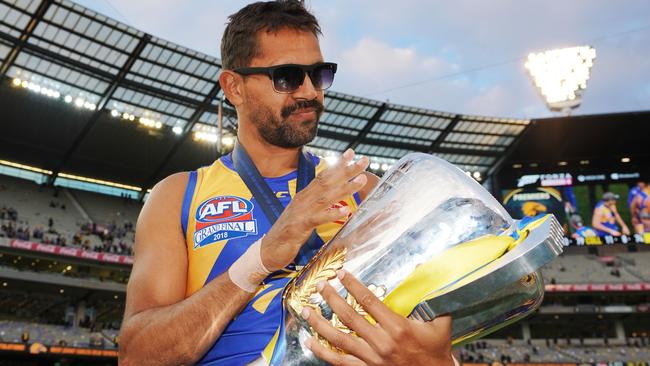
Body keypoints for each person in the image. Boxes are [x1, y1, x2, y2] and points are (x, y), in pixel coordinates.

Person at [118, 2, 455, 365]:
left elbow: (426, 342)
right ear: (234, 87)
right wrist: (260, 258)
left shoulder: (364, 190)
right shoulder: (178, 196)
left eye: (319, 74)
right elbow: (137, 356)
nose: (310, 91)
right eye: (288, 76)